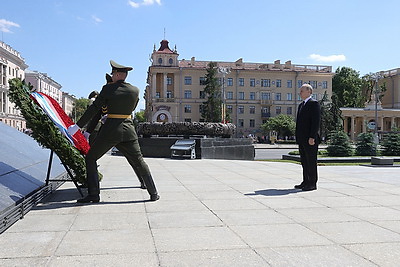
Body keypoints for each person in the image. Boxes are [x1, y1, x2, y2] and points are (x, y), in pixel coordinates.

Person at [67, 60, 159, 203]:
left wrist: (77, 126)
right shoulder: (135, 90)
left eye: (113, 73)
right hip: (128, 130)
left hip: (111, 130)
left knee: (91, 158)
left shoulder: (107, 89)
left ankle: (94, 194)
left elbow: (94, 108)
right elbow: (132, 108)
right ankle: (153, 193)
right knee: (139, 161)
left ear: (116, 74)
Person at [294, 84, 321, 191]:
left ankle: (312, 183)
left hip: (310, 139)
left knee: (311, 161)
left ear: (309, 91)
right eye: (300, 91)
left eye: (302, 91)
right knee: (304, 161)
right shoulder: (301, 105)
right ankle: (305, 181)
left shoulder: (314, 104)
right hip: (302, 139)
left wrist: (312, 136)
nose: (300, 92)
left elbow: (316, 122)